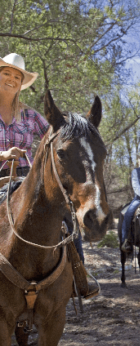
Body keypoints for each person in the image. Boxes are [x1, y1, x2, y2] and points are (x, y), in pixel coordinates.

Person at [0, 53, 85, 261]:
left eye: (17, 76)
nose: (12, 79)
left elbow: (55, 135)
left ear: (21, 83)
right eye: (6, 73)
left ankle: (79, 272)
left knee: (65, 213)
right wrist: (3, 154)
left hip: (27, 181)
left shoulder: (29, 115)